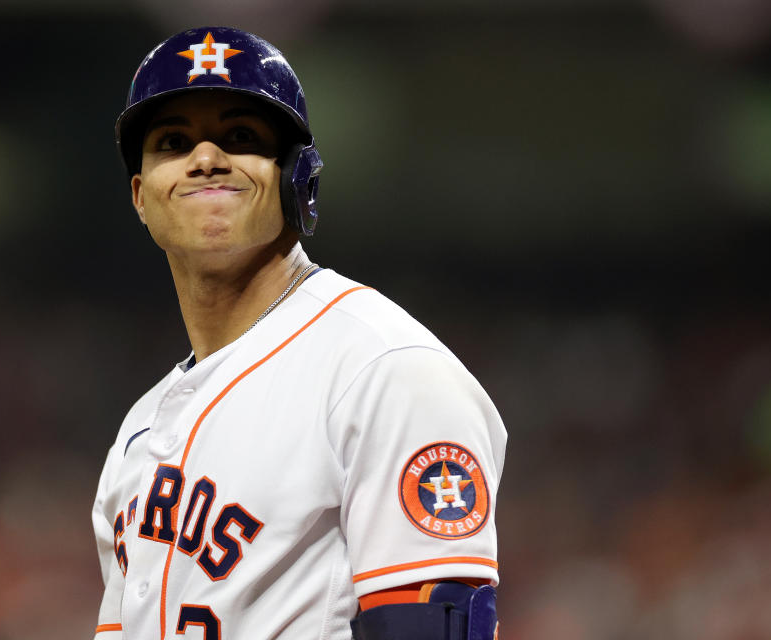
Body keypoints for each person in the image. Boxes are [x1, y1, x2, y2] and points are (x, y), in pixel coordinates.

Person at [91, 26, 507, 640]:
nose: (206, 158)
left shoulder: (385, 370)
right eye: (173, 141)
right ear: (141, 197)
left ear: (299, 179)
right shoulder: (141, 427)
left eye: (240, 136)